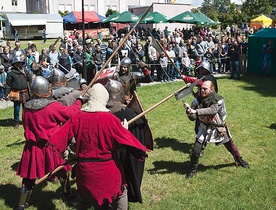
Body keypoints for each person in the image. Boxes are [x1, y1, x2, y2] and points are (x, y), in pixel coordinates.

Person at [49, 83, 149, 210]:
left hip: (84, 173)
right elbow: (130, 142)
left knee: (84, 201)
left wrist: (69, 155)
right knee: (120, 196)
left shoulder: (77, 117)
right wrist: (125, 131)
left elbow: (56, 141)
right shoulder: (110, 120)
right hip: (107, 173)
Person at [16, 76, 83, 210]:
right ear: (46, 89)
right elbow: (70, 113)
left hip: (32, 147)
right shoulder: (51, 107)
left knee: (29, 178)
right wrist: (79, 101)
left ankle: (22, 204)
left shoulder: (26, 107)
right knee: (63, 171)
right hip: (50, 146)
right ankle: (67, 192)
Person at [184, 80, 250, 179]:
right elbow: (193, 118)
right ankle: (192, 170)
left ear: (212, 89)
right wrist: (189, 111)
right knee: (196, 149)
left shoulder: (218, 99)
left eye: (205, 89)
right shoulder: (197, 101)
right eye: (201, 88)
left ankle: (240, 160)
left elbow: (212, 110)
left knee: (230, 145)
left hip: (218, 127)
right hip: (205, 127)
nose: (202, 90)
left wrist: (195, 111)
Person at [106, 79, 150, 204]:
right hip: (123, 158)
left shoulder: (100, 114)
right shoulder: (131, 116)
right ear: (121, 94)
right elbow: (140, 135)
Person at [5, 56, 33, 129]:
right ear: (14, 64)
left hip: (25, 93)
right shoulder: (11, 73)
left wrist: (32, 89)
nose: (18, 64)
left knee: (26, 109)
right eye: (17, 63)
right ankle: (16, 122)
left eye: (20, 63)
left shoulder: (25, 71)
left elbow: (30, 80)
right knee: (16, 109)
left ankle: (26, 121)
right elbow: (8, 84)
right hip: (16, 93)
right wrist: (6, 93)